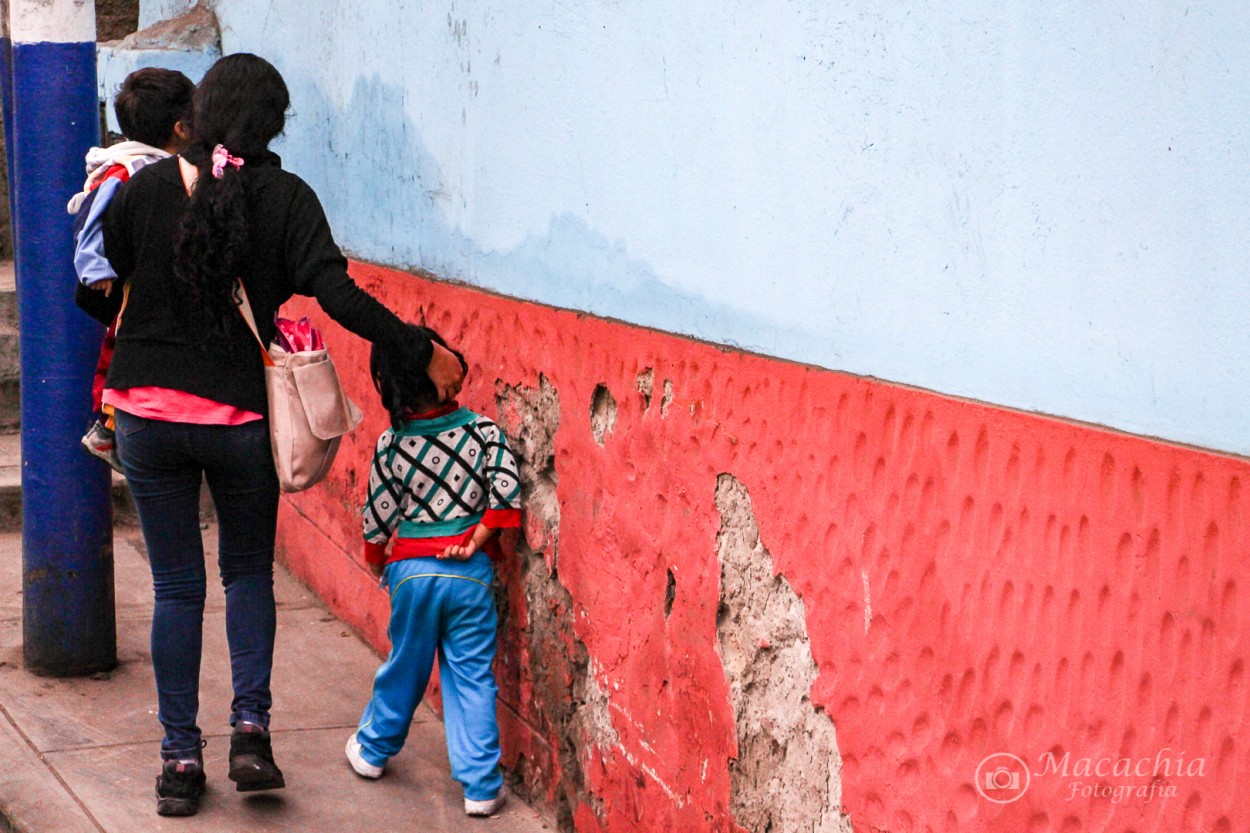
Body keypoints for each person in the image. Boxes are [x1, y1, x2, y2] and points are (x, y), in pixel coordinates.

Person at [95, 53, 466, 817]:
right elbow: (338, 293)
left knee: (174, 588)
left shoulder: (147, 189)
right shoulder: (288, 197)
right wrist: (416, 346)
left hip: (146, 414)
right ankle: (252, 735)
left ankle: (178, 757)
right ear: (268, 123)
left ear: (196, 116)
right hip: (239, 419)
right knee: (247, 576)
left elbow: (110, 284)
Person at [344, 324, 520, 818]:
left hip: (413, 575)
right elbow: (506, 497)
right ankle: (482, 786)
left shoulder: (392, 444)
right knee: (471, 675)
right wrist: (472, 543)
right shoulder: (484, 431)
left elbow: (377, 521)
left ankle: (373, 751)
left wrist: (381, 566)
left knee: (408, 663)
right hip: (471, 577)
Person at [67, 67, 194, 472]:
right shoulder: (132, 170)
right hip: (124, 284)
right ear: (181, 128)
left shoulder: (151, 164)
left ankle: (111, 430)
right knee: (121, 355)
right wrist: (95, 267)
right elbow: (92, 221)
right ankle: (107, 430)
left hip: (139, 285)